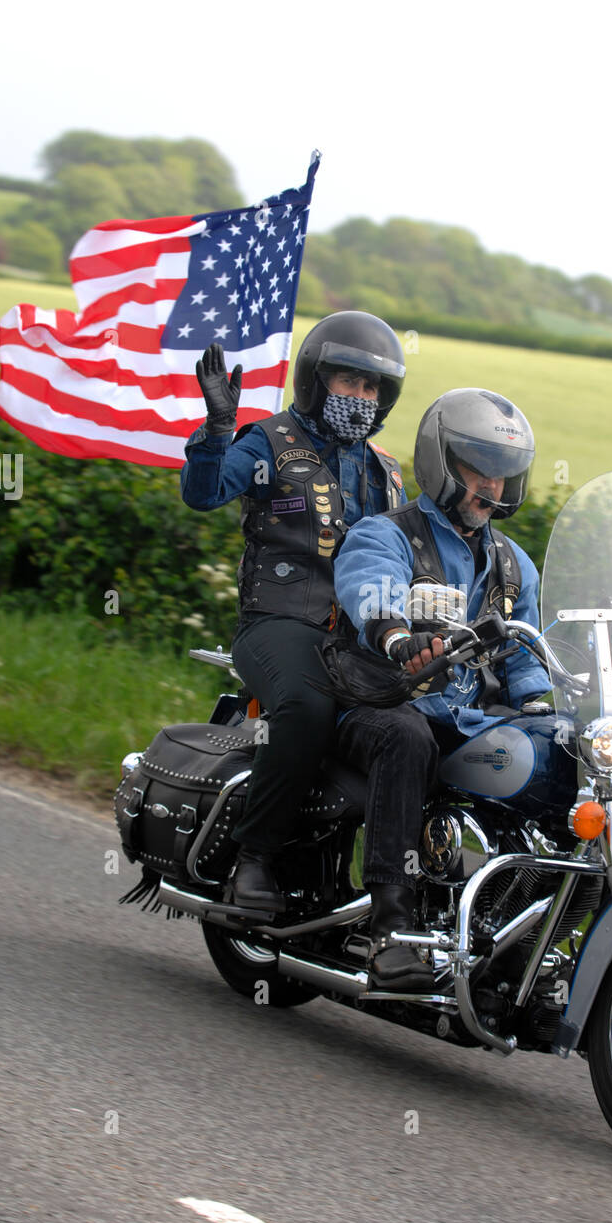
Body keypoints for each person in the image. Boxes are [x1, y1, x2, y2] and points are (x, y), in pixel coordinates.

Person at [180, 312, 407, 911]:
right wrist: (219, 428)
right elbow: (203, 494)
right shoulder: (271, 442)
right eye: (346, 381)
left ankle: (395, 900)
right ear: (315, 379)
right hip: (277, 624)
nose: (359, 397)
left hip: (360, 641)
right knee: (307, 707)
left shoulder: (386, 472)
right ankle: (252, 861)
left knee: (420, 726)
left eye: (370, 387)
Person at [332, 387, 557, 990]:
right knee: (408, 738)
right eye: (477, 470)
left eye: (504, 475)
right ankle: (391, 929)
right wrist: (399, 638)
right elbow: (371, 589)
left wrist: (549, 701)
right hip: (380, 702)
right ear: (440, 462)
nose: (492, 488)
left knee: (563, 748)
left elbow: (531, 651)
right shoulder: (389, 534)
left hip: (465, 721)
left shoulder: (515, 566)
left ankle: (521, 932)